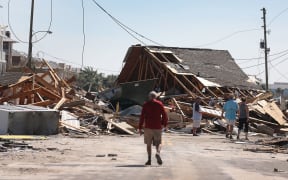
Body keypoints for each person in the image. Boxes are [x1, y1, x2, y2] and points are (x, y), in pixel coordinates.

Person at [139, 91, 168, 166]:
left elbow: (142, 117)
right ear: (155, 97)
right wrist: (164, 124)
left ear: (149, 97)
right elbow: (164, 115)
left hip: (148, 127)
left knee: (148, 144)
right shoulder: (159, 104)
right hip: (157, 126)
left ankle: (149, 160)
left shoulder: (146, 105)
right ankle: (157, 153)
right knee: (158, 143)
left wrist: (140, 127)